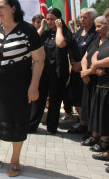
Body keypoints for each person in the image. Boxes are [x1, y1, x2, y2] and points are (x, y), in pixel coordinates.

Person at [0, 0, 44, 177]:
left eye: (2, 7)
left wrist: (34, 85)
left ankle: (15, 160)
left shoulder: (27, 31)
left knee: (17, 121)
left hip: (18, 86)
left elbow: (39, 59)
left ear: (13, 8)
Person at [29, 8, 72, 136]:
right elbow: (33, 40)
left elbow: (60, 43)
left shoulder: (65, 32)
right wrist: (42, 27)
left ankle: (51, 127)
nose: (49, 22)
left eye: (52, 19)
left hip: (57, 71)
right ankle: (31, 125)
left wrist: (59, 28)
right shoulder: (45, 33)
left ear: (59, 19)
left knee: (54, 100)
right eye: (47, 19)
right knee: (38, 98)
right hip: (43, 70)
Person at [68, 8, 98, 134]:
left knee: (86, 98)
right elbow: (72, 48)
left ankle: (89, 126)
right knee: (76, 97)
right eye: (81, 17)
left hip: (88, 71)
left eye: (85, 17)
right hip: (76, 70)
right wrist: (73, 62)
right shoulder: (79, 32)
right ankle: (82, 122)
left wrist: (81, 64)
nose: (82, 19)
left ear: (92, 19)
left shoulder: (95, 33)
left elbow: (93, 51)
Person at [80, 16, 108, 147]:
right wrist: (86, 71)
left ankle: (103, 141)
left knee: (103, 113)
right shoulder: (96, 41)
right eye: (96, 26)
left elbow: (98, 61)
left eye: (99, 26)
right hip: (94, 82)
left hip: (104, 82)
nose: (97, 29)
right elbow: (86, 57)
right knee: (95, 111)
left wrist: (92, 69)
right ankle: (94, 136)